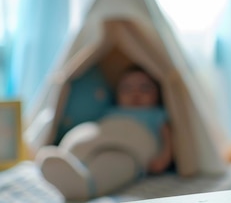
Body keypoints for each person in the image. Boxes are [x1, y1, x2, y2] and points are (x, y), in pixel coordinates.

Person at [36, 65, 173, 200]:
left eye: (145, 88)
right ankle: (66, 165)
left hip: (128, 152)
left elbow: (168, 139)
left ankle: (85, 186)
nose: (135, 94)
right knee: (83, 142)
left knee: (115, 167)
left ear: (158, 93)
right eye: (127, 88)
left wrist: (162, 160)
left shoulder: (156, 115)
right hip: (98, 141)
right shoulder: (112, 111)